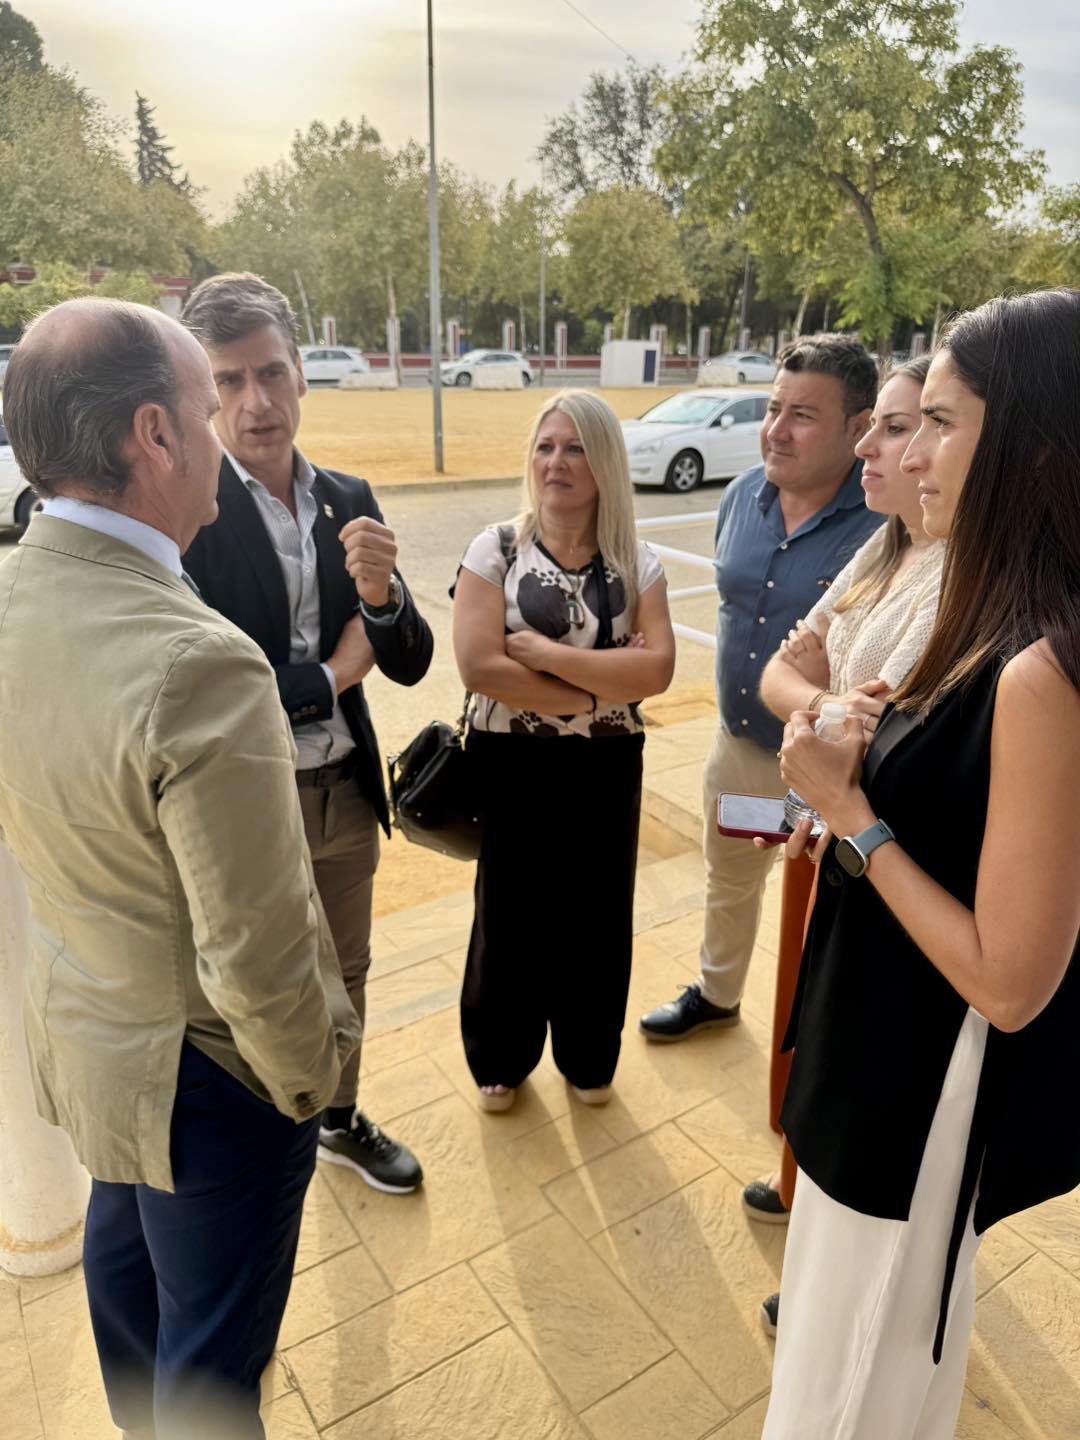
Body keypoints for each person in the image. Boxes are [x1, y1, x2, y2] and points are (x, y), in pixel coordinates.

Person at [0, 299, 361, 1439]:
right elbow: (255, 951)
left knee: (130, 1297)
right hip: (207, 1083)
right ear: (154, 435)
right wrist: (306, 1084)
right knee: (209, 1373)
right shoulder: (198, 663)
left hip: (88, 1034)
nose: (226, 431)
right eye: (209, 407)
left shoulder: (14, 590)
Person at [763, 290, 1080, 1439]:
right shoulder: (982, 607)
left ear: (1029, 448)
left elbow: (1011, 981)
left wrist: (851, 812)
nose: (903, 452)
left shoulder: (1039, 665)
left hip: (916, 1078)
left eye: (938, 423)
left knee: (851, 1393)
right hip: (870, 1037)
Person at [181, 273, 432, 1194]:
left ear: (301, 374)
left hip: (343, 792)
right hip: (246, 803)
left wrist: (384, 597)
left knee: (348, 970)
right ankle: (261, 1147)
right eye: (229, 381)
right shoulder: (189, 512)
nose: (256, 402)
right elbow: (212, 686)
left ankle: (337, 1117)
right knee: (248, 987)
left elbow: (408, 658)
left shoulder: (346, 498)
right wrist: (330, 675)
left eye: (271, 373)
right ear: (205, 395)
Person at [640, 335, 883, 1042]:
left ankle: (813, 1040)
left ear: (858, 427)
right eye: (774, 409)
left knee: (828, 907)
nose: (776, 429)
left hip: (834, 772)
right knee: (730, 880)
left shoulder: (884, 526)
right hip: (741, 750)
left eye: (802, 415)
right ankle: (718, 996)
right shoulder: (742, 496)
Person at [453, 389, 675, 1110]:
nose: (557, 462)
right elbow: (480, 665)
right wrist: (594, 690)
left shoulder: (637, 563)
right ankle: (501, 1055)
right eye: (546, 447)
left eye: (576, 448)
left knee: (597, 913)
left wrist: (546, 656)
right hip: (511, 760)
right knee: (510, 910)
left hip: (606, 766)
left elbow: (657, 671)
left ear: (605, 461)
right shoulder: (496, 550)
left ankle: (588, 1057)